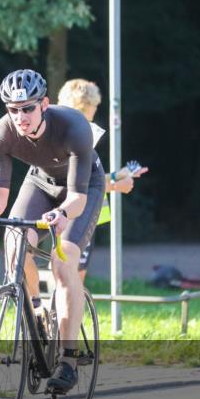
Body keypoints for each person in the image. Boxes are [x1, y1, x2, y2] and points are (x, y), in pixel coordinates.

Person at [0, 69, 105, 393]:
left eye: (27, 108)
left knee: (62, 262)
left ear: (45, 105)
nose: (20, 117)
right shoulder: (0, 134)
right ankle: (36, 313)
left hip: (83, 188)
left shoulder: (75, 127)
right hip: (40, 182)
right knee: (14, 240)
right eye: (13, 109)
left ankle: (68, 359)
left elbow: (77, 198)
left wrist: (63, 213)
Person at [57, 79, 149, 281]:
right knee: (72, 277)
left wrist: (117, 175)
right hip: (78, 214)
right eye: (94, 106)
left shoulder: (64, 131)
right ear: (84, 106)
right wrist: (118, 186)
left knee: (67, 272)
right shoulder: (80, 135)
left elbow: (86, 178)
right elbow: (79, 185)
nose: (95, 112)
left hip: (69, 212)